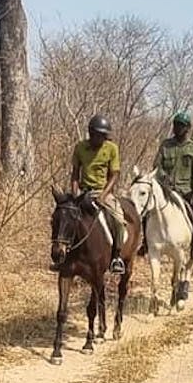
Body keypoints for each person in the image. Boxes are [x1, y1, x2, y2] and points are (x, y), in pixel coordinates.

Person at [63, 114, 126, 275]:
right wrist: (75, 192)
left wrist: (104, 195)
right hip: (83, 191)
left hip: (102, 191)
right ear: (91, 133)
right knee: (64, 215)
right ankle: (64, 255)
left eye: (102, 136)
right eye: (97, 135)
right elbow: (75, 173)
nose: (99, 138)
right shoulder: (80, 147)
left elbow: (114, 175)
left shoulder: (112, 148)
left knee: (118, 219)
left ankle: (116, 257)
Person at [153, 110, 193, 259]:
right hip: (166, 189)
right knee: (149, 209)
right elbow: (157, 166)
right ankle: (146, 242)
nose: (177, 128)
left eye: (181, 125)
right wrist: (163, 177)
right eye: (176, 125)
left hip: (185, 190)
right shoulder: (166, 145)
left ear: (188, 128)